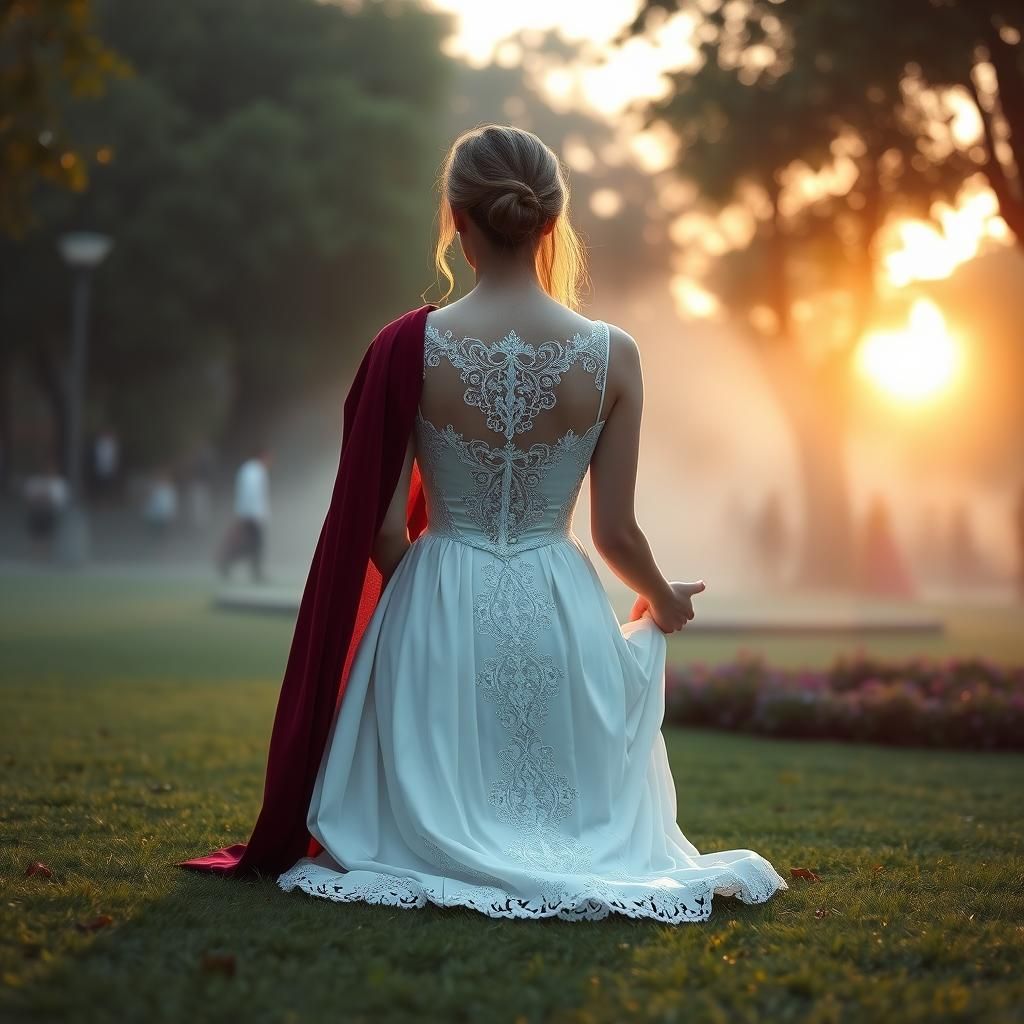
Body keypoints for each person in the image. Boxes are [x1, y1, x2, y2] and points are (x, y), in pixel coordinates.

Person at [185, 125, 787, 922]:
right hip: (558, 597)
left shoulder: (411, 346)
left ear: (457, 219)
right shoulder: (613, 355)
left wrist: (428, 598)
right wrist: (663, 599)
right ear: (550, 222)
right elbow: (616, 533)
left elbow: (381, 529)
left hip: (440, 583)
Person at [218, 447, 271, 582]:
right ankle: (229, 563)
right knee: (253, 544)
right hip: (252, 515)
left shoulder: (248, 469)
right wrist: (257, 514)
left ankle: (229, 563)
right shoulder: (255, 471)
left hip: (248, 513)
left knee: (251, 545)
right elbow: (252, 493)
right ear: (263, 456)